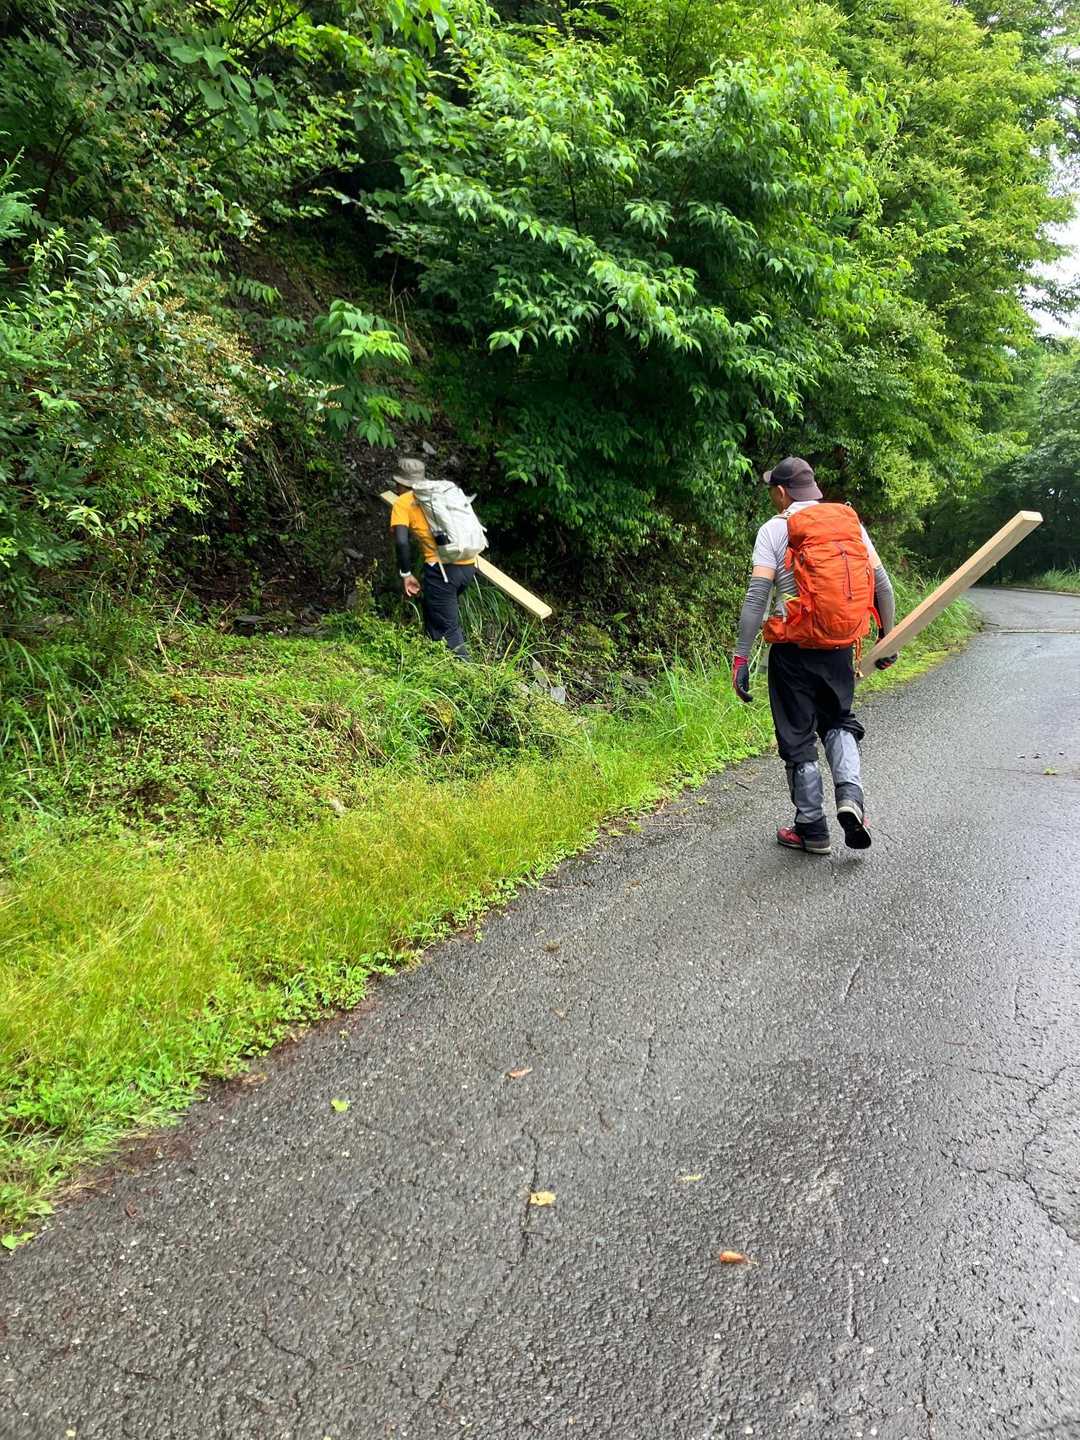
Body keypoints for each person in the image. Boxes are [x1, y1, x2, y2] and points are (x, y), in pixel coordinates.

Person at [731, 456, 897, 855]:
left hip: (792, 651)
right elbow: (883, 586)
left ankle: (811, 828)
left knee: (797, 735)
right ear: (814, 491)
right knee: (838, 720)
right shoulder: (848, 525)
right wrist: (887, 638)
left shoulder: (774, 530)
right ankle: (851, 797)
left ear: (781, 492)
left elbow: (757, 597)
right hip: (839, 648)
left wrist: (741, 657)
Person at [389, 457, 477, 658]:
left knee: (448, 631)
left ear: (399, 483)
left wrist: (406, 574)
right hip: (467, 565)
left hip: (442, 572)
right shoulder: (438, 495)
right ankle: (432, 664)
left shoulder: (403, 502)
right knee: (433, 615)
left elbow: (401, 542)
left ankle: (469, 672)